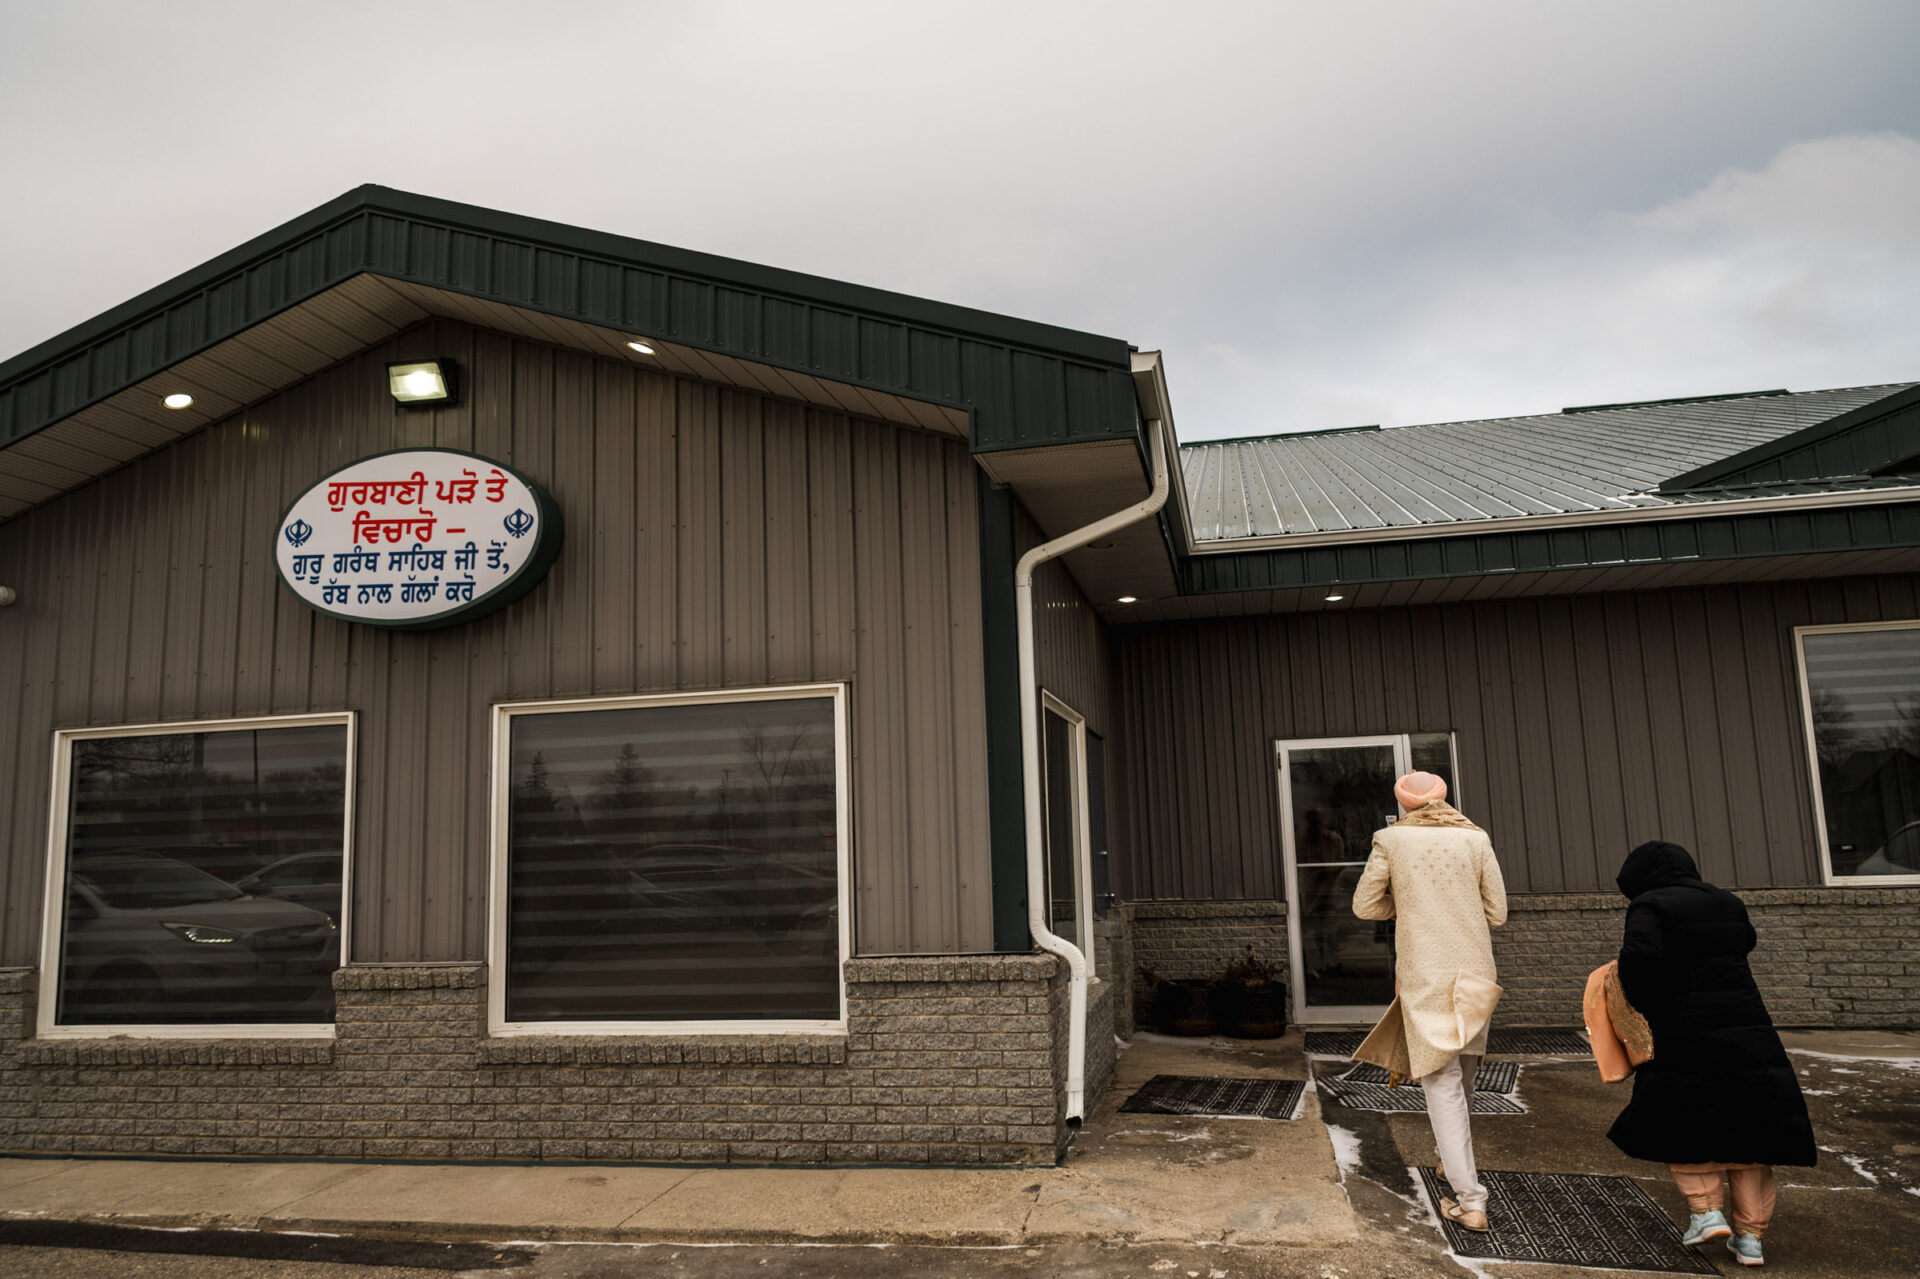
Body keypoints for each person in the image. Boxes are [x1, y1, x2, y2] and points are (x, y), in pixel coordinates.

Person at [1607, 841, 1816, 1268]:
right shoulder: (1727, 901)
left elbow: (1641, 961)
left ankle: (1706, 1213)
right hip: (1746, 1026)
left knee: (1682, 1120)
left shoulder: (1650, 905)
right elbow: (1747, 942)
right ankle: (1751, 1238)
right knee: (1751, 1132)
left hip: (1683, 1030)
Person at [1352, 771, 1507, 1232]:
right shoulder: (1475, 838)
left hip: (1425, 974)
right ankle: (1449, 1162)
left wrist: (1410, 906)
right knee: (1465, 1072)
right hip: (1475, 972)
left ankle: (1470, 1199)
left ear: (1403, 804)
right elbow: (1497, 913)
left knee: (1441, 1083)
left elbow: (1365, 906)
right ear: (1444, 799)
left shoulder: (1390, 840)